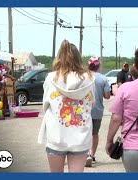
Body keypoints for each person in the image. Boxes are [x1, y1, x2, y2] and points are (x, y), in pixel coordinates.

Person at [37, 40, 95, 172]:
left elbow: (45, 105)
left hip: (56, 135)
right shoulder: (89, 78)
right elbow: (92, 103)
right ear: (79, 58)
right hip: (80, 138)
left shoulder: (51, 78)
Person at [85, 56, 111, 167]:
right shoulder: (103, 78)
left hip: (83, 110)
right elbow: (107, 96)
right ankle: (92, 155)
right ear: (98, 66)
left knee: (84, 133)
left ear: (88, 65)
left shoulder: (83, 77)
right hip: (97, 110)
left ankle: (85, 154)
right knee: (95, 134)